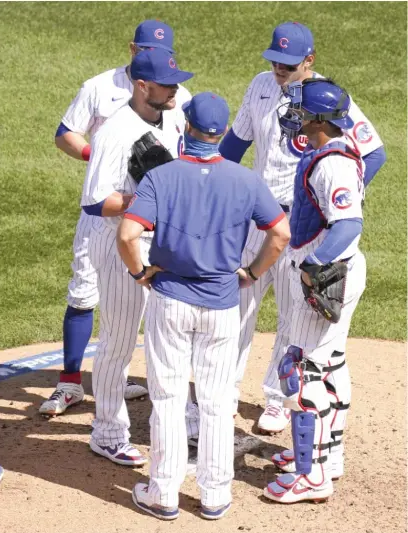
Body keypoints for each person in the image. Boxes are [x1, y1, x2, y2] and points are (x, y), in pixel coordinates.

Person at [117, 92, 290, 520]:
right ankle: (214, 495)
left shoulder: (162, 177)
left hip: (171, 301)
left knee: (169, 398)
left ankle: (163, 493)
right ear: (221, 134)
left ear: (188, 129)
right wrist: (251, 272)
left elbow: (126, 235)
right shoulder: (245, 179)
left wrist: (141, 273)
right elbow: (280, 233)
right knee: (215, 401)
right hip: (222, 307)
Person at [219, 21, 386, 433]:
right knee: (236, 308)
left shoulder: (325, 99)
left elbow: (374, 152)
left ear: (309, 60)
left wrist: (335, 200)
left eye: (288, 62)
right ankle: (219, 393)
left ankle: (276, 398)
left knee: (294, 314)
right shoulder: (259, 85)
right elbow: (234, 145)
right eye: (274, 58)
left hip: (300, 225)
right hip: (258, 219)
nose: (278, 66)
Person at [40, 20, 191, 417]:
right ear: (132, 48)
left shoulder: (176, 95)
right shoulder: (100, 87)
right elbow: (65, 134)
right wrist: (102, 160)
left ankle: (114, 380)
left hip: (150, 220)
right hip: (105, 214)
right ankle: (70, 382)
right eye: (143, 50)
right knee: (84, 292)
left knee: (140, 308)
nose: (150, 57)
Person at [79, 48, 193, 467]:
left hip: (159, 243)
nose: (175, 88)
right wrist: (146, 199)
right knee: (119, 341)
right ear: (142, 85)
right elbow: (94, 202)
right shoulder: (113, 132)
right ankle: (107, 432)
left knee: (171, 337)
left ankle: (185, 417)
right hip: (117, 245)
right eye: (167, 83)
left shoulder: (174, 116)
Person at [263, 78, 367, 503]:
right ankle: (330, 457)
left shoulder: (332, 165)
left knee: (300, 370)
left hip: (327, 274)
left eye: (302, 113)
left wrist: (313, 266)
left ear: (321, 121)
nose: (295, 119)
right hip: (337, 270)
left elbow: (348, 224)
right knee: (331, 362)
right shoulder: (332, 150)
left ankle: (313, 476)